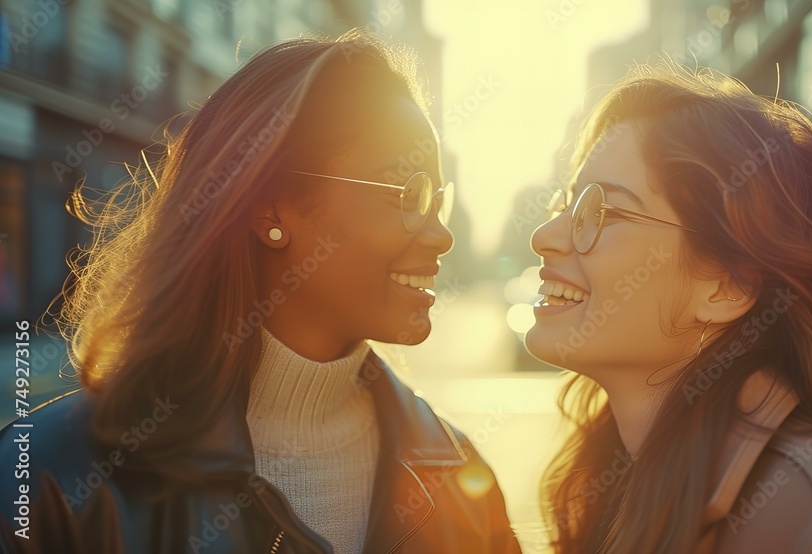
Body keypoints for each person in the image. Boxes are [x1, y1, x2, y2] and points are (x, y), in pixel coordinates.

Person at [0, 31, 521, 554]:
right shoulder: (48, 481)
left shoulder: (461, 477)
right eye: (409, 193)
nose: (441, 234)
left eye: (439, 200)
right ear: (269, 209)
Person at [526, 61, 812, 553]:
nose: (543, 237)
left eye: (600, 212)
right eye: (567, 204)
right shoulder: (616, 472)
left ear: (728, 285)